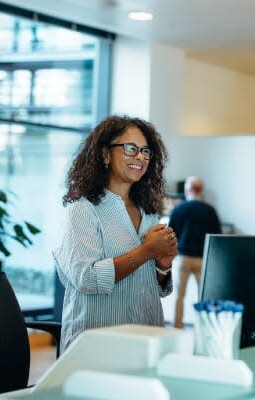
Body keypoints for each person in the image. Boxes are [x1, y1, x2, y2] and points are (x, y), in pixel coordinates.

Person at [53, 115, 178, 352]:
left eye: (145, 151)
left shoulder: (148, 212)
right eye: (131, 149)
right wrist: (147, 251)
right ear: (105, 154)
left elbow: (155, 289)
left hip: (146, 338)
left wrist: (162, 265)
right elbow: (86, 279)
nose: (140, 157)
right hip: (96, 344)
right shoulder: (83, 209)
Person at [168, 176, 222, 328]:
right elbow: (216, 236)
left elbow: (171, 234)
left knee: (179, 295)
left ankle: (177, 325)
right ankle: (203, 325)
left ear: (187, 190)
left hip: (183, 259)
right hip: (202, 260)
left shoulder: (178, 209)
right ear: (201, 190)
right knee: (203, 295)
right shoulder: (210, 211)